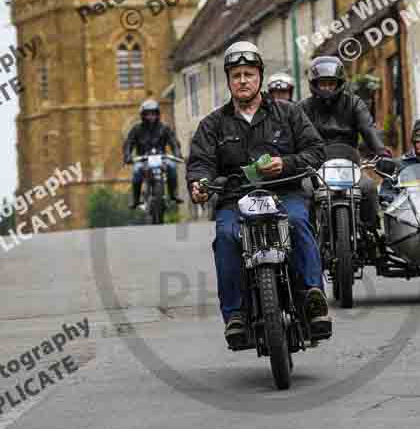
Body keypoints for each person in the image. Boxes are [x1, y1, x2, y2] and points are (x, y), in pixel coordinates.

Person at [187, 41, 331, 343]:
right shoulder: (212, 125)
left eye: (248, 74)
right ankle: (236, 315)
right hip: (234, 200)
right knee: (226, 237)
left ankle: (312, 298)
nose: (242, 80)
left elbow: (316, 150)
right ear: (228, 80)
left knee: (298, 223)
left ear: (259, 77)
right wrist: (199, 184)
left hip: (285, 193)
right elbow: (200, 162)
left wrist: (286, 164)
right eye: (236, 75)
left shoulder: (289, 113)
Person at [299, 56, 389, 230]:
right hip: (316, 167)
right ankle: (308, 237)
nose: (326, 88)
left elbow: (368, 128)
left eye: (330, 83)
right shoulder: (304, 107)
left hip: (350, 165)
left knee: (369, 188)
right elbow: (296, 136)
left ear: (339, 83)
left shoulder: (354, 103)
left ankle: (370, 233)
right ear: (314, 84)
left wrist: (382, 152)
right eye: (322, 83)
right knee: (305, 191)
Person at [123, 99, 182, 208]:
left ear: (157, 114)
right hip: (143, 158)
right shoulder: (136, 129)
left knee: (172, 167)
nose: (151, 116)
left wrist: (177, 153)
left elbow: (173, 141)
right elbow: (129, 143)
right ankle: (135, 199)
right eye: (148, 114)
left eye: (153, 113)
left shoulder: (164, 127)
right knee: (136, 172)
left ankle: (173, 194)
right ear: (143, 115)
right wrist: (127, 155)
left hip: (162, 157)